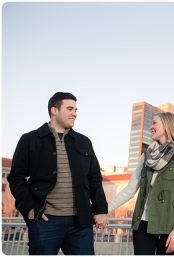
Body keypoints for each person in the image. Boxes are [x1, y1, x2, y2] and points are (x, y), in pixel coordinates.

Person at [7, 92, 108, 255]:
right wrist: (30, 208)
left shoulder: (84, 142)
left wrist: (101, 209)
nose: (75, 113)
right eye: (70, 109)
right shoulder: (30, 139)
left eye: (76, 109)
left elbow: (94, 178)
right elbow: (16, 178)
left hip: (80, 223)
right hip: (45, 222)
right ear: (54, 110)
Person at [108, 112, 174, 255]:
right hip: (142, 225)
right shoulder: (146, 156)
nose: (150, 127)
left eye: (154, 123)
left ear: (166, 126)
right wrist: (106, 209)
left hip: (169, 226)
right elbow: (130, 189)